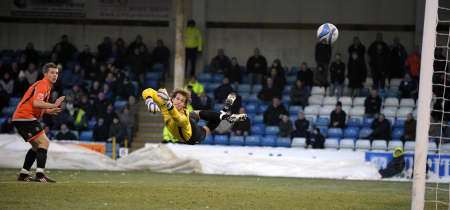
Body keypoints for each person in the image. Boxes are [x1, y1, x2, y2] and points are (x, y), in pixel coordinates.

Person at [12, 62, 65, 183]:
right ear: (45, 73)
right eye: (52, 72)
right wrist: (53, 104)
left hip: (21, 117)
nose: (54, 75)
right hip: (25, 116)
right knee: (44, 142)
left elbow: (36, 104)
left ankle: (23, 174)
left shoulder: (45, 86)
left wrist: (49, 111)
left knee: (36, 147)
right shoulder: (43, 84)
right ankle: (40, 174)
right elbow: (36, 103)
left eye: (56, 73)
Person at [142, 88, 247, 144]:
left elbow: (179, 120)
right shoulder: (165, 102)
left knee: (199, 115)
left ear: (184, 105)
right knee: (211, 121)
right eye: (177, 98)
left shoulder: (181, 113)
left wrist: (169, 105)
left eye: (182, 101)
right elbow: (148, 91)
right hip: (188, 133)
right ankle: (225, 114)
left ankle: (227, 115)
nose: (179, 102)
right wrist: (150, 101)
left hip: (193, 135)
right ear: (172, 98)